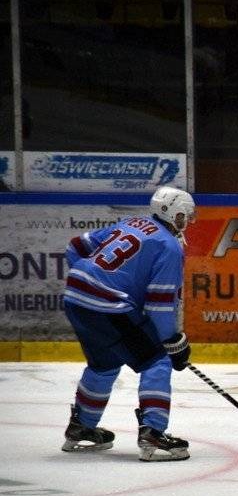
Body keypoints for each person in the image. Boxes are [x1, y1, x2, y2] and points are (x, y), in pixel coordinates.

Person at [61, 185, 196, 461]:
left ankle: (81, 427)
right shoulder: (169, 246)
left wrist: (92, 279)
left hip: (75, 298)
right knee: (157, 360)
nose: (189, 221)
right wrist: (172, 341)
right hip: (107, 305)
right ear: (172, 213)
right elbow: (159, 305)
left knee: (105, 363)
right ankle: (153, 434)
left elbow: (75, 247)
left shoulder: (131, 223)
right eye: (185, 215)